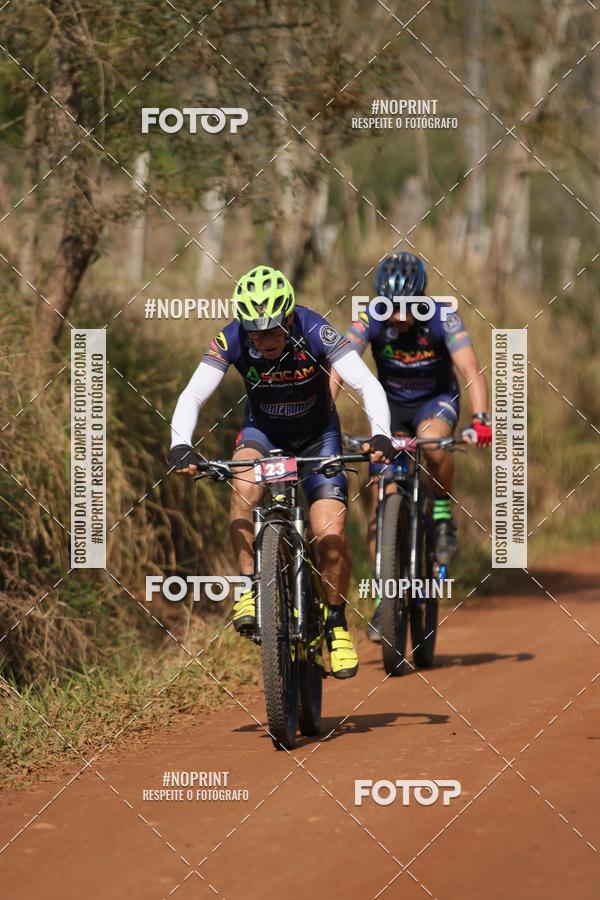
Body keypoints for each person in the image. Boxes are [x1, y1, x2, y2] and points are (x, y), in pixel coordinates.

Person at [168, 265, 395, 678]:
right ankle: (250, 588)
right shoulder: (232, 337)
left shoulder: (314, 329)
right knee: (243, 488)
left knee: (329, 534)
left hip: (318, 437)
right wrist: (180, 443)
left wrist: (381, 434)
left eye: (272, 331)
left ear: (289, 319)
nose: (264, 341)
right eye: (255, 334)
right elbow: (193, 394)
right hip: (263, 434)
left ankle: (335, 623)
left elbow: (366, 383)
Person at [331, 252, 492, 641]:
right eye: (392, 306)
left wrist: (481, 418)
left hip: (434, 402)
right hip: (389, 408)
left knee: (434, 443)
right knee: (379, 501)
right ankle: (384, 601)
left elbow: (470, 368)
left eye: (408, 306)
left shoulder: (442, 317)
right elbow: (337, 366)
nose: (399, 315)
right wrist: (323, 420)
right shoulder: (370, 318)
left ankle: (441, 511)